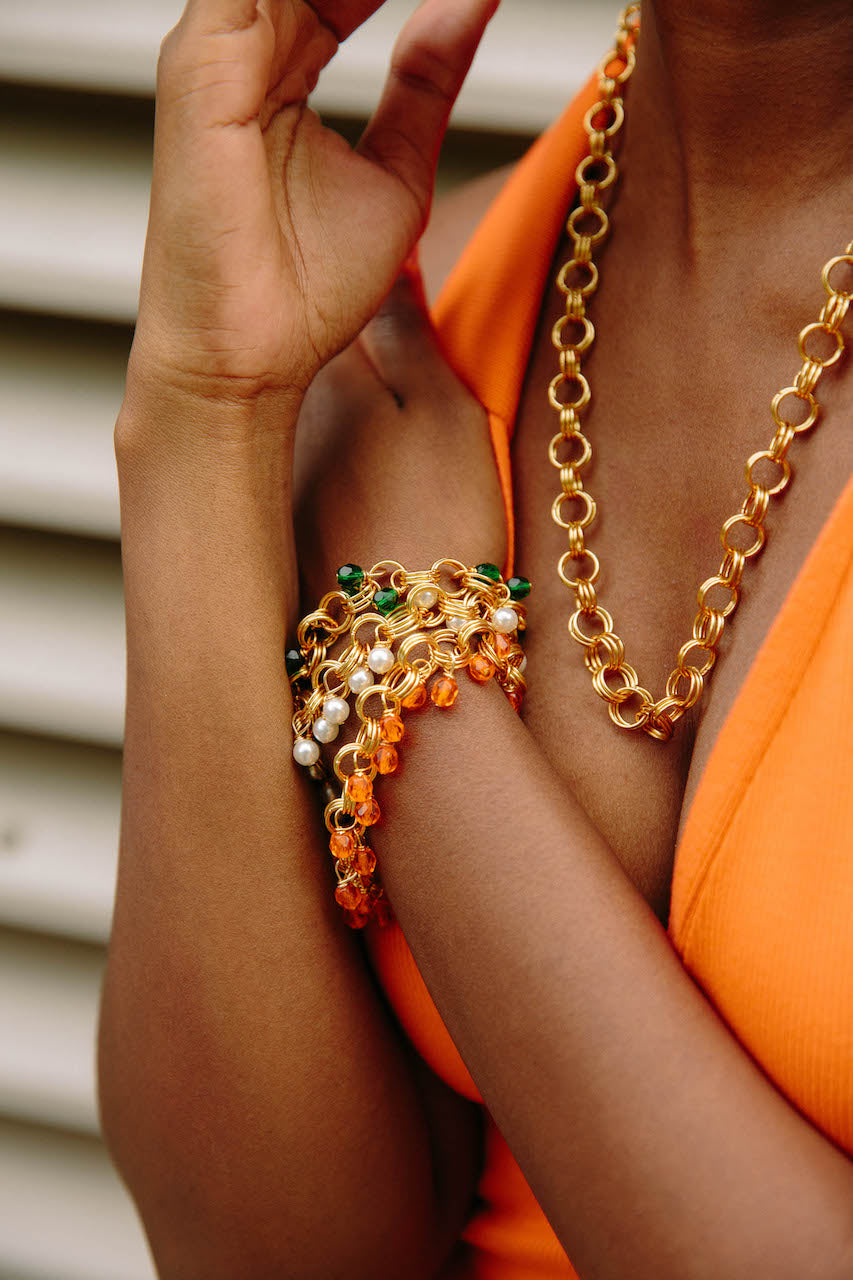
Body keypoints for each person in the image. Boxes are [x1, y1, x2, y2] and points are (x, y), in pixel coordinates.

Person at [96, 0, 853, 1276]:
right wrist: (205, 408)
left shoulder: (398, 461)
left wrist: (404, 671)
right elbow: (259, 1254)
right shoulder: (420, 303)